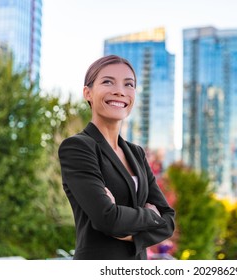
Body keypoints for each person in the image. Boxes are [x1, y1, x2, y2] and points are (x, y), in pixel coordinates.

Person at [58, 55, 175, 260]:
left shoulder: (136, 153)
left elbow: (169, 221)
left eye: (128, 84)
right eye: (107, 82)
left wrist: (130, 234)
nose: (120, 91)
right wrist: (151, 216)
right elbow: (107, 218)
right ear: (88, 93)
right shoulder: (77, 147)